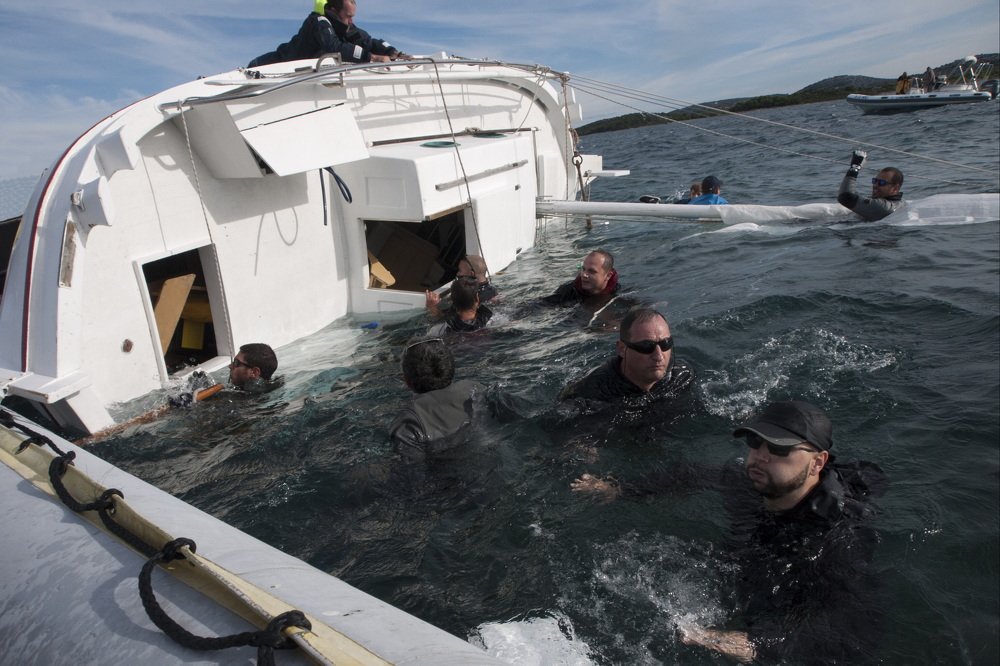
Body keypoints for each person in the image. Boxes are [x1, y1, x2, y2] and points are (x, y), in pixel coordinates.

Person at [572, 400, 887, 664]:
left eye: (779, 448)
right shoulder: (751, 482)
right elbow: (689, 474)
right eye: (755, 442)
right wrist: (621, 489)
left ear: (818, 463)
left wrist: (754, 645)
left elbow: (850, 627)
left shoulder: (837, 537)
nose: (760, 456)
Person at [559, 308, 693, 408]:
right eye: (646, 346)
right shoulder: (591, 393)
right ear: (622, 349)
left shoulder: (682, 377)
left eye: (665, 344)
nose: (658, 356)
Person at [390, 337, 478, 460]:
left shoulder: (409, 423)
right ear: (451, 369)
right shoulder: (476, 390)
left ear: (406, 381)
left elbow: (411, 474)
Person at [247, 0, 406, 68]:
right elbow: (333, 47)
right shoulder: (319, 22)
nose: (351, 21)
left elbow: (368, 41)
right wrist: (372, 57)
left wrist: (393, 52)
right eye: (348, 16)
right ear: (333, 11)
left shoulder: (343, 24)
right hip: (268, 67)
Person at [837, 150, 904, 221]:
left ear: (895, 188)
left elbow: (845, 197)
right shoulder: (900, 202)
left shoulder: (882, 207)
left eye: (881, 183)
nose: (875, 185)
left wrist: (855, 167)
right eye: (875, 181)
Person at [541, 249, 621, 307]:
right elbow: (541, 304)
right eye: (583, 269)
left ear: (608, 276)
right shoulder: (568, 293)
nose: (584, 275)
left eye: (591, 271)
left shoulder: (617, 294)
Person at [425, 254, 497, 317]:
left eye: (460, 271)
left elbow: (444, 319)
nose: (457, 274)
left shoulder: (466, 295)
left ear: (471, 274)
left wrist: (432, 307)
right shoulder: (492, 291)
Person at [427, 277, 492, 336]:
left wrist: (431, 307)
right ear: (477, 298)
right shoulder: (492, 320)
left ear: (452, 300)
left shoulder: (438, 330)